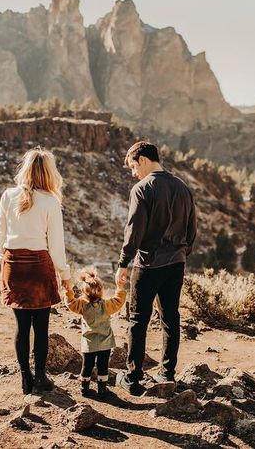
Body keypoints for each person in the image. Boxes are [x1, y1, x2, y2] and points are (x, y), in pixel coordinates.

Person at [115, 141, 197, 396]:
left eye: (132, 166)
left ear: (142, 160)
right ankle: (167, 373)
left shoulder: (142, 188)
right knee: (170, 318)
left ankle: (133, 378)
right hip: (176, 263)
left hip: (148, 264)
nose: (132, 173)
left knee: (138, 320)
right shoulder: (183, 187)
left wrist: (123, 262)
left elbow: (134, 230)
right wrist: (182, 252)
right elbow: (192, 228)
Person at [0, 147, 72, 395]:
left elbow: (1, 234)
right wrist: (65, 276)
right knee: (41, 327)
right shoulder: (50, 201)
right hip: (39, 266)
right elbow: (56, 247)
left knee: (21, 325)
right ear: (49, 173)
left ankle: (24, 378)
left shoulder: (8, 195)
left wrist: (3, 259)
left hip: (13, 265)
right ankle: (40, 377)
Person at [64, 269, 126, 398]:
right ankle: (102, 389)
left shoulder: (81, 305)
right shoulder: (107, 305)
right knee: (103, 366)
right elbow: (118, 301)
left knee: (87, 365)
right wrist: (120, 287)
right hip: (105, 342)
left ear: (84, 291)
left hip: (89, 343)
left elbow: (70, 303)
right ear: (101, 290)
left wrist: (68, 291)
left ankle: (84, 388)